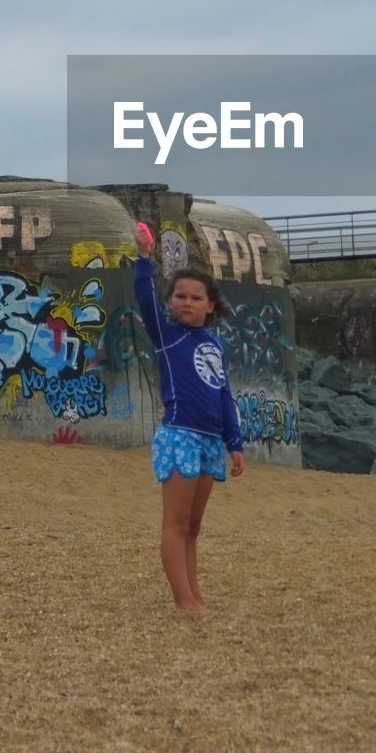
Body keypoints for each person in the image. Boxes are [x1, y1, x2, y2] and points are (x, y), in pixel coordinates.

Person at [133, 222, 245, 613]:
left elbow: (223, 394)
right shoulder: (169, 337)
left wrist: (235, 443)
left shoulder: (214, 343)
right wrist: (143, 258)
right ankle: (183, 600)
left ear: (210, 305)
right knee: (176, 525)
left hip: (211, 441)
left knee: (193, 529)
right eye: (179, 296)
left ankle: (195, 594)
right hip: (180, 437)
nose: (186, 302)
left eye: (196, 297)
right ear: (171, 303)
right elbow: (146, 303)